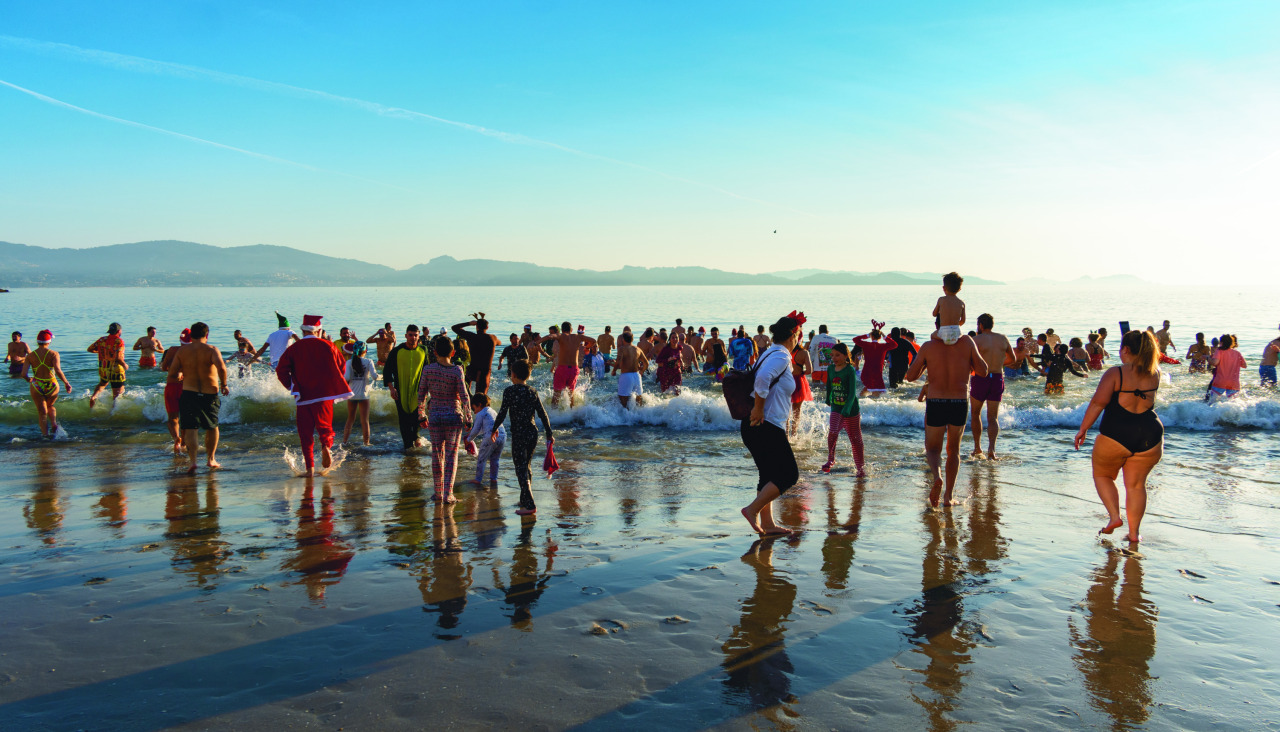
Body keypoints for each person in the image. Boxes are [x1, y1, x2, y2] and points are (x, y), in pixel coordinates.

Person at [1073, 330, 1163, 544]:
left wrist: (1083, 429)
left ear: (1126, 350)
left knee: (1103, 476)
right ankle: (1134, 535)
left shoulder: (1116, 373)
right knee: (1136, 486)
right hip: (1150, 435)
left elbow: (1098, 403)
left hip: (1117, 432)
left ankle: (1114, 517)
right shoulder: (1155, 372)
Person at [904, 328, 987, 507]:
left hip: (936, 401)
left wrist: (926, 364)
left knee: (933, 449)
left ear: (937, 326)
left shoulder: (928, 346)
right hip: (959, 402)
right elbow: (983, 371)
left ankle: (937, 477)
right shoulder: (967, 343)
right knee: (953, 451)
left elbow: (910, 376)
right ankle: (948, 497)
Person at [740, 313, 803, 536]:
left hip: (756, 426)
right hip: (764, 424)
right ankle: (752, 510)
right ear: (793, 335)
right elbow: (763, 378)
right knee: (789, 475)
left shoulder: (768, 352)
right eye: (798, 335)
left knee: (767, 474)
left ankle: (768, 524)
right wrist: (758, 408)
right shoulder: (781, 356)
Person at [275, 315, 352, 476]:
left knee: (305, 434)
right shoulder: (329, 345)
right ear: (319, 330)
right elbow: (341, 366)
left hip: (303, 395)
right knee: (325, 428)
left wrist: (291, 385)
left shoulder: (294, 348)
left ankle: (309, 469)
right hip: (324, 395)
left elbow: (281, 370)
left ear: (303, 330)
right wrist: (331, 381)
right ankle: (325, 446)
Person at [493, 360, 554, 516]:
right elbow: (542, 413)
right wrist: (549, 433)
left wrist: (493, 429)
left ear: (513, 375)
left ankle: (530, 504)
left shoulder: (509, 391)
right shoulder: (532, 391)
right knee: (526, 465)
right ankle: (524, 498)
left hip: (519, 434)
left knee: (520, 468)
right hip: (532, 433)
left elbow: (502, 413)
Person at [417, 335, 473, 503]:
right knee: (451, 455)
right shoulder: (457, 370)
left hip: (434, 415)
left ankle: (438, 492)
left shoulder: (428, 369)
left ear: (434, 352)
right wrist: (469, 417)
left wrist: (421, 415)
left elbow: (421, 395)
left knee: (437, 454)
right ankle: (448, 493)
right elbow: (464, 396)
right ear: (453, 352)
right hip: (453, 415)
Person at [170, 322, 230, 475]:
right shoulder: (211, 349)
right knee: (212, 426)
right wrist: (224, 384)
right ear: (207, 335)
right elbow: (222, 367)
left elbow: (172, 373)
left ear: (191, 336)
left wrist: (180, 375)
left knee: (190, 428)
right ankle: (211, 459)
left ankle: (193, 462)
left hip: (189, 393)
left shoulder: (182, 351)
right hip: (209, 394)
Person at [969, 314, 1015, 459]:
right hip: (997, 377)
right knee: (993, 417)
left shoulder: (976, 340)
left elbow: (967, 360)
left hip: (981, 377)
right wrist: (1000, 364)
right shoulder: (1003, 338)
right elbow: (1013, 359)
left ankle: (977, 448)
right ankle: (992, 450)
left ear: (981, 325)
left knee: (976, 413)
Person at [822, 342, 864, 475]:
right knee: (833, 432)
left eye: (838, 355)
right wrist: (828, 398)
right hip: (836, 407)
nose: (834, 358)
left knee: (855, 439)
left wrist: (847, 408)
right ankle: (831, 460)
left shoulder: (849, 370)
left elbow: (852, 393)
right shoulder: (830, 369)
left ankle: (860, 468)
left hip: (851, 410)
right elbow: (829, 385)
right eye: (832, 355)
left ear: (846, 356)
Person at [20, 330, 71, 438]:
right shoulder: (54, 354)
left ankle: (45, 435)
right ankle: (53, 424)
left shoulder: (30, 356)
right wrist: (66, 383)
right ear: (49, 341)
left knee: (42, 412)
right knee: (50, 406)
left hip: (37, 385)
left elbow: (23, 374)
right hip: (52, 384)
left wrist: (28, 379)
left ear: (37, 341)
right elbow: (58, 370)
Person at [541, 321, 596, 408]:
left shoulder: (561, 336)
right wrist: (587, 347)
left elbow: (549, 336)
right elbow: (593, 341)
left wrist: (537, 342)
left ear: (562, 330)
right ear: (571, 329)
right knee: (571, 394)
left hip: (562, 369)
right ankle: (572, 414)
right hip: (574, 369)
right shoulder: (578, 337)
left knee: (556, 395)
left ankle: (553, 417)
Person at [159, 328, 191, 454]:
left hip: (172, 385)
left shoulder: (172, 350)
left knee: (172, 417)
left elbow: (163, 367)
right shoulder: (194, 352)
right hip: (187, 387)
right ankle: (183, 442)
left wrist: (173, 370)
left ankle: (176, 439)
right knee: (185, 417)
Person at [453, 316, 502, 395]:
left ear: (476, 326)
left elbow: (454, 328)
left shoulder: (471, 336)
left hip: (472, 370)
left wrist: (469, 323)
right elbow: (500, 343)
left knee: (465, 394)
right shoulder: (493, 338)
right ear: (487, 327)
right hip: (484, 372)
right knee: (481, 398)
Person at [466, 393, 505, 488]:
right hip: (502, 435)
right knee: (495, 459)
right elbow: (484, 428)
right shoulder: (492, 411)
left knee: (481, 458)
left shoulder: (481, 413)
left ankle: (478, 479)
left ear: (479, 405)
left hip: (490, 437)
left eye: (474, 408)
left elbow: (476, 429)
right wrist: (471, 436)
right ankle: (494, 478)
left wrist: (469, 439)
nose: (474, 412)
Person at [88, 322, 128, 408]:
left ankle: (94, 396)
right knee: (117, 395)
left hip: (104, 369)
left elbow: (90, 349)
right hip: (116, 370)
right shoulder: (119, 341)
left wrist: (102, 352)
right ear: (119, 331)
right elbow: (118, 358)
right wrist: (125, 364)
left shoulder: (102, 339)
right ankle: (114, 411)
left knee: (102, 384)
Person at [342, 341, 375, 446]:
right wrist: (381, 377)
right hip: (364, 395)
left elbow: (346, 378)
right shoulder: (369, 361)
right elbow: (374, 376)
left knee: (350, 419)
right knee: (364, 421)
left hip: (352, 395)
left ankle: (344, 442)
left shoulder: (348, 362)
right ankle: (366, 443)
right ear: (365, 351)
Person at [853, 327, 897, 396]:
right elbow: (894, 344)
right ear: (880, 337)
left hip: (866, 373)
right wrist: (884, 336)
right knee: (876, 392)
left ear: (872, 337)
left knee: (868, 389)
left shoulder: (866, 344)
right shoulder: (883, 346)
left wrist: (867, 335)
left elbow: (855, 339)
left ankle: (860, 402)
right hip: (877, 373)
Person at [613, 331, 648, 407]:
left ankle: (626, 417)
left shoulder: (622, 349)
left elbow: (618, 361)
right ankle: (640, 416)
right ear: (632, 339)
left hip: (626, 376)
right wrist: (641, 371)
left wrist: (614, 370)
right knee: (639, 401)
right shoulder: (638, 349)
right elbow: (646, 363)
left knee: (623, 399)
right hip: (637, 376)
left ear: (623, 340)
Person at [932, 272, 966, 345]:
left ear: (944, 288)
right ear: (959, 289)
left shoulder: (941, 300)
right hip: (957, 332)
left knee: (932, 336)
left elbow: (934, 314)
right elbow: (963, 321)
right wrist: (954, 325)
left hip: (943, 331)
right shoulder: (961, 303)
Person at [1208, 334, 1246, 399]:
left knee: (1212, 402)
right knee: (1233, 403)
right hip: (1234, 383)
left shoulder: (1219, 351)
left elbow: (1215, 362)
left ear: (1221, 343)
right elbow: (1244, 365)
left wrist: (1208, 358)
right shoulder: (1237, 353)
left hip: (1220, 382)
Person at [789, 341, 813, 437]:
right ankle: (793, 433)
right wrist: (801, 371)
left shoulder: (787, 351)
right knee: (797, 410)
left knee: (786, 409)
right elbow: (809, 370)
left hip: (787, 380)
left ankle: (785, 434)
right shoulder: (804, 353)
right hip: (799, 380)